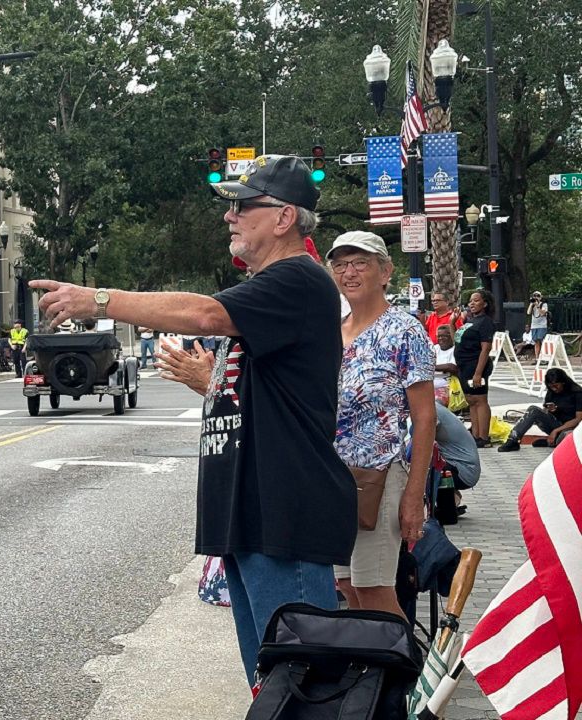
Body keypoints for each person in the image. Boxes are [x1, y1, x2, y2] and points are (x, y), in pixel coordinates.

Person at [32, 154, 354, 684]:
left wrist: (100, 299)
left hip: (285, 514)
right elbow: (267, 397)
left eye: (243, 206)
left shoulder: (299, 279)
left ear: (284, 218)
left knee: (302, 691)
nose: (229, 217)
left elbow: (205, 314)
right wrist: (209, 383)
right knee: (269, 685)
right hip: (251, 514)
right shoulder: (269, 292)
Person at [326, 231, 435, 618]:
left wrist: (413, 495)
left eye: (360, 263)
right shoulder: (332, 331)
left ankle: (399, 671)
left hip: (379, 476)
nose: (349, 272)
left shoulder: (404, 330)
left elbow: (425, 417)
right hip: (333, 478)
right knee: (345, 584)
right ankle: (370, 668)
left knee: (373, 589)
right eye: (340, 265)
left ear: (385, 271)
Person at [498, 368, 582, 451]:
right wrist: (549, 410)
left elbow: (578, 419)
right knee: (533, 410)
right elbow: (544, 411)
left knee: (567, 438)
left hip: (571, 428)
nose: (554, 389)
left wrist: (556, 431)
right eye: (551, 387)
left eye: (556, 386)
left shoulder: (577, 392)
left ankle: (554, 441)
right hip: (557, 424)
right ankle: (513, 439)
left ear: (563, 382)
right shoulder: (551, 392)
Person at [454, 289, 495, 446]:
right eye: (470, 301)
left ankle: (484, 437)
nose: (472, 303)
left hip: (476, 365)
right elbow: (456, 339)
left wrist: (478, 373)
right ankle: (475, 434)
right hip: (463, 366)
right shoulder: (470, 321)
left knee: (480, 399)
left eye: (476, 300)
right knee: (471, 400)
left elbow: (485, 349)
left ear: (484, 304)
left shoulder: (485, 322)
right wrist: (453, 323)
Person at [433, 324, 459, 403]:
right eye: (439, 336)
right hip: (430, 385)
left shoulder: (456, 350)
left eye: (444, 336)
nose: (440, 338)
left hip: (448, 387)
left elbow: (452, 367)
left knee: (436, 403)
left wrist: (431, 366)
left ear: (451, 336)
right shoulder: (434, 348)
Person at [529, 291, 551, 358]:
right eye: (535, 296)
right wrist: (531, 304)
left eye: (538, 296)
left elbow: (542, 314)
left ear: (541, 297)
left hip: (542, 325)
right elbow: (528, 312)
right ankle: (537, 357)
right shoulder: (532, 305)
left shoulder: (544, 304)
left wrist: (538, 306)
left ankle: (544, 356)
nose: (536, 297)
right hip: (534, 326)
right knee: (536, 342)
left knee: (542, 340)